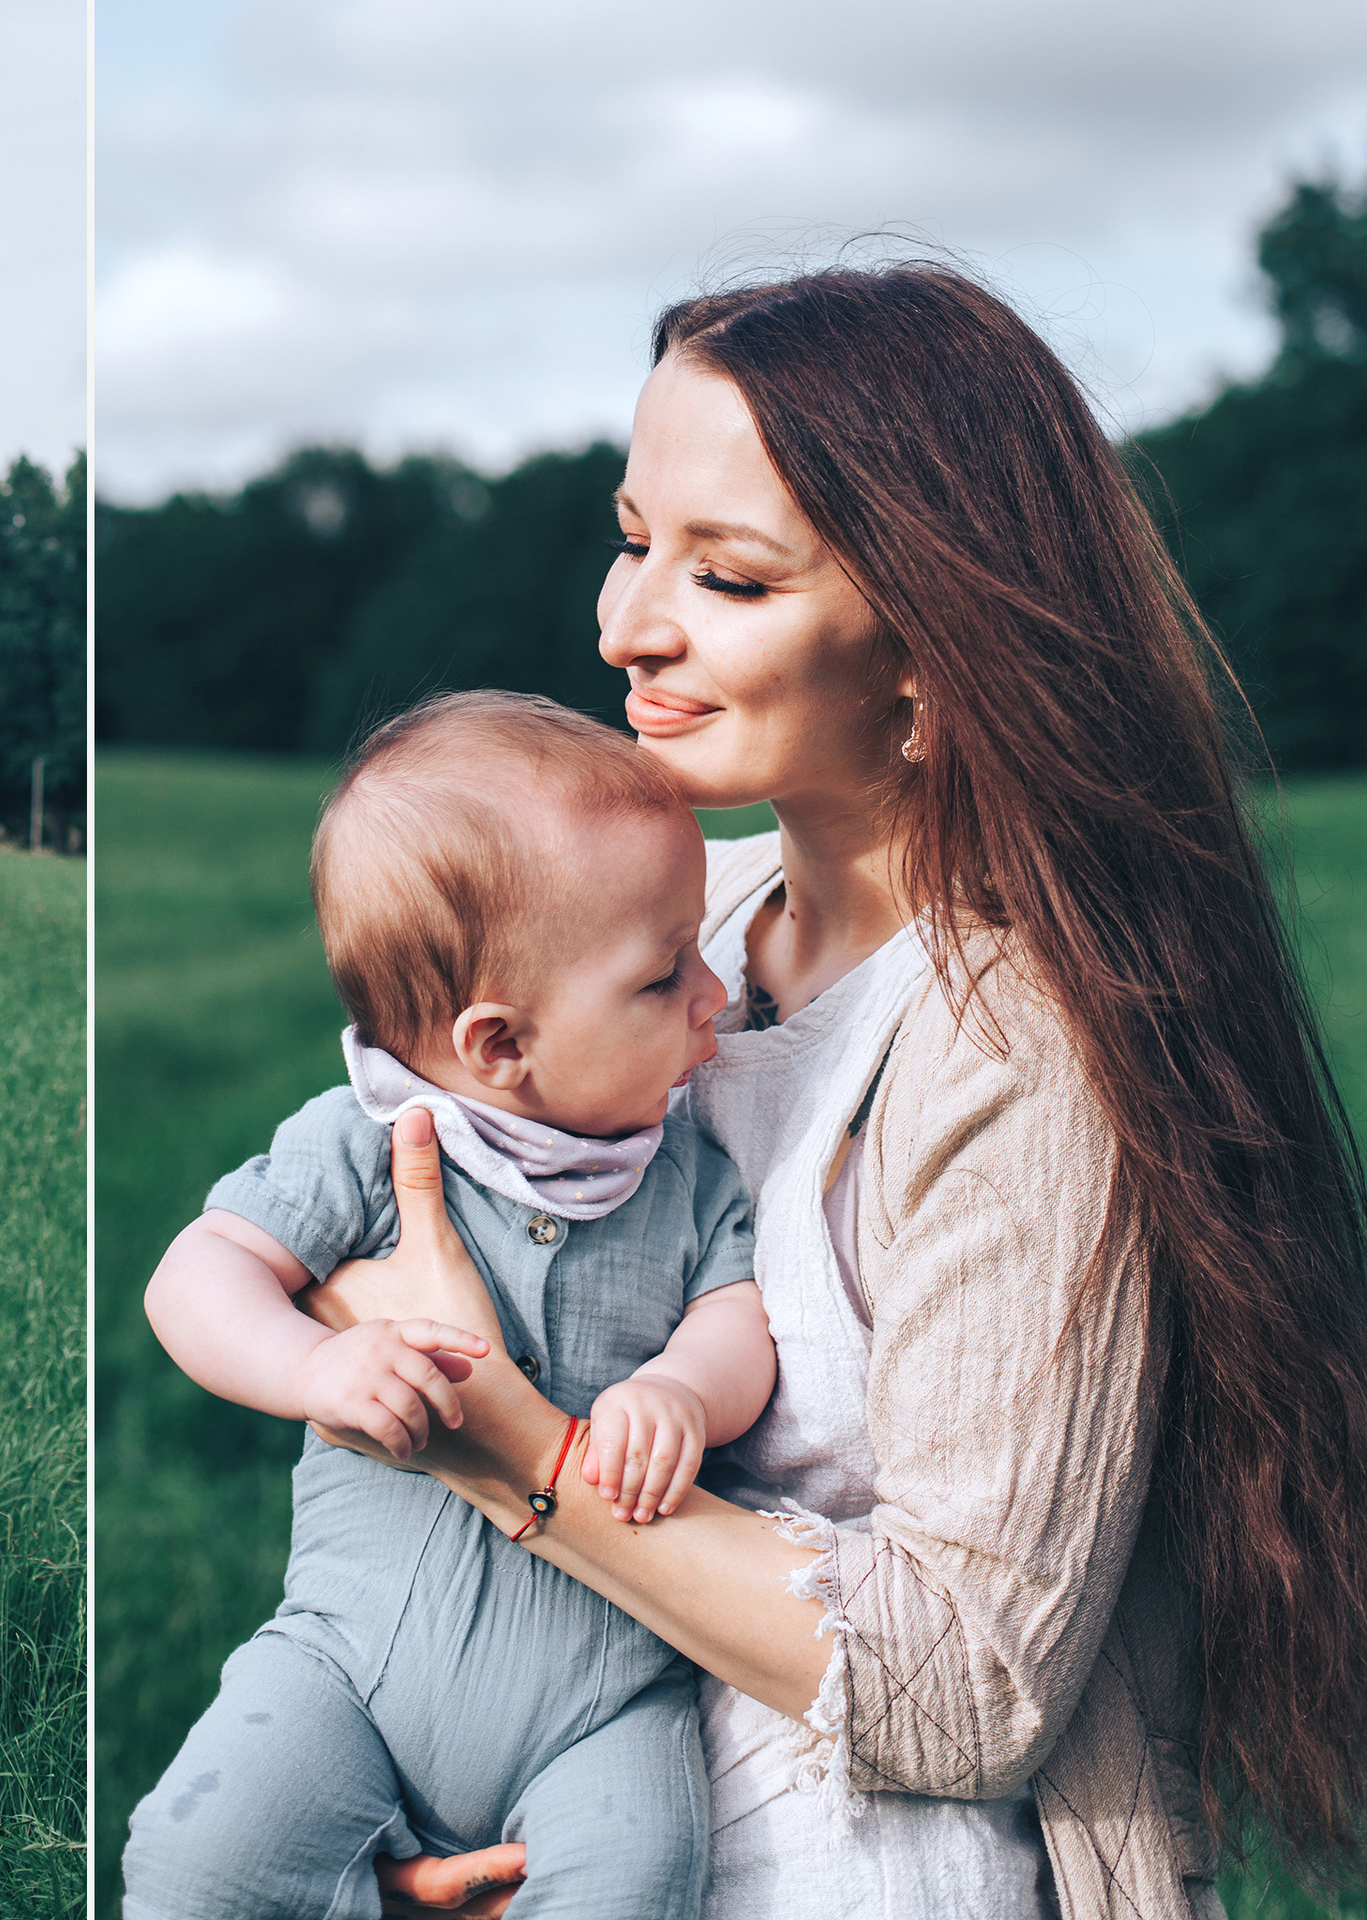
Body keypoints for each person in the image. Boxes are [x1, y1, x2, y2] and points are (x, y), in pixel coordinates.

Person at [296, 265, 1367, 1920]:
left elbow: (966, 1690)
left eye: (725, 576)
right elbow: (361, 1262)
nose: (625, 623)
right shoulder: (655, 934)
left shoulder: (1020, 1047)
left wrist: (497, 1437)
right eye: (632, 531)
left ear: (933, 662)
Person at [126, 692, 774, 1919]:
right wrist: (312, 1369)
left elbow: (735, 1312)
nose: (714, 994)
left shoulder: (684, 1170)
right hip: (346, 1669)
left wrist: (683, 1386)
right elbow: (197, 1274)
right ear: (498, 1044)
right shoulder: (369, 1141)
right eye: (663, 974)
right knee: (191, 1862)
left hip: (608, 1700)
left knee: (639, 1879)